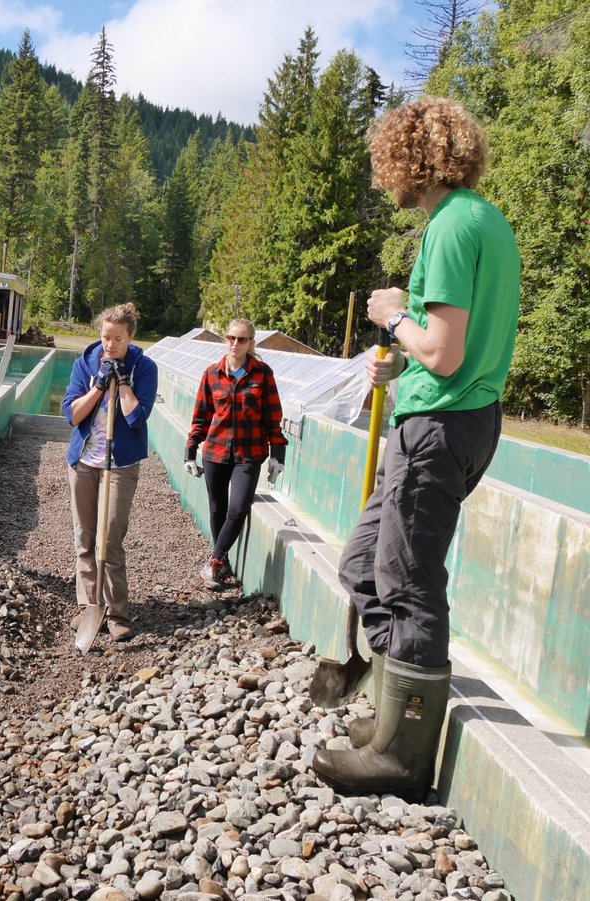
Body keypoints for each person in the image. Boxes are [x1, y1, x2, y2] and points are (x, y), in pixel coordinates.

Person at [311, 96, 521, 799]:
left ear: (412, 156)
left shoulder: (452, 226)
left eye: (384, 162)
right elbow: (441, 352)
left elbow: (446, 349)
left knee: (408, 581)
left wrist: (395, 316)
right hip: (451, 415)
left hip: (437, 429)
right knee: (365, 562)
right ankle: (390, 710)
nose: (381, 178)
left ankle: (400, 756)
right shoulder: (482, 221)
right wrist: (399, 360)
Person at [63, 303, 159, 642]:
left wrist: (124, 384)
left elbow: (135, 417)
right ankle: (91, 606)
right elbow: (72, 416)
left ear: (131, 337)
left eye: (118, 339)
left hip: (119, 466)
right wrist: (99, 387)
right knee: (84, 539)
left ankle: (117, 612)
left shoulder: (144, 368)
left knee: (110, 539)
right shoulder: (85, 364)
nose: (110, 345)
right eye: (106, 337)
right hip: (85, 462)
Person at [183, 318, 287, 590]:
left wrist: (278, 453)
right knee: (217, 509)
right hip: (215, 451)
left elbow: (272, 417)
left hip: (249, 453)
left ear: (251, 343)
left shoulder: (262, 374)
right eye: (231, 338)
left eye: (242, 339)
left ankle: (213, 561)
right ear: (225, 340)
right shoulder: (212, 373)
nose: (235, 343)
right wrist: (190, 451)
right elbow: (202, 415)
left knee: (238, 508)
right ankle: (222, 564)